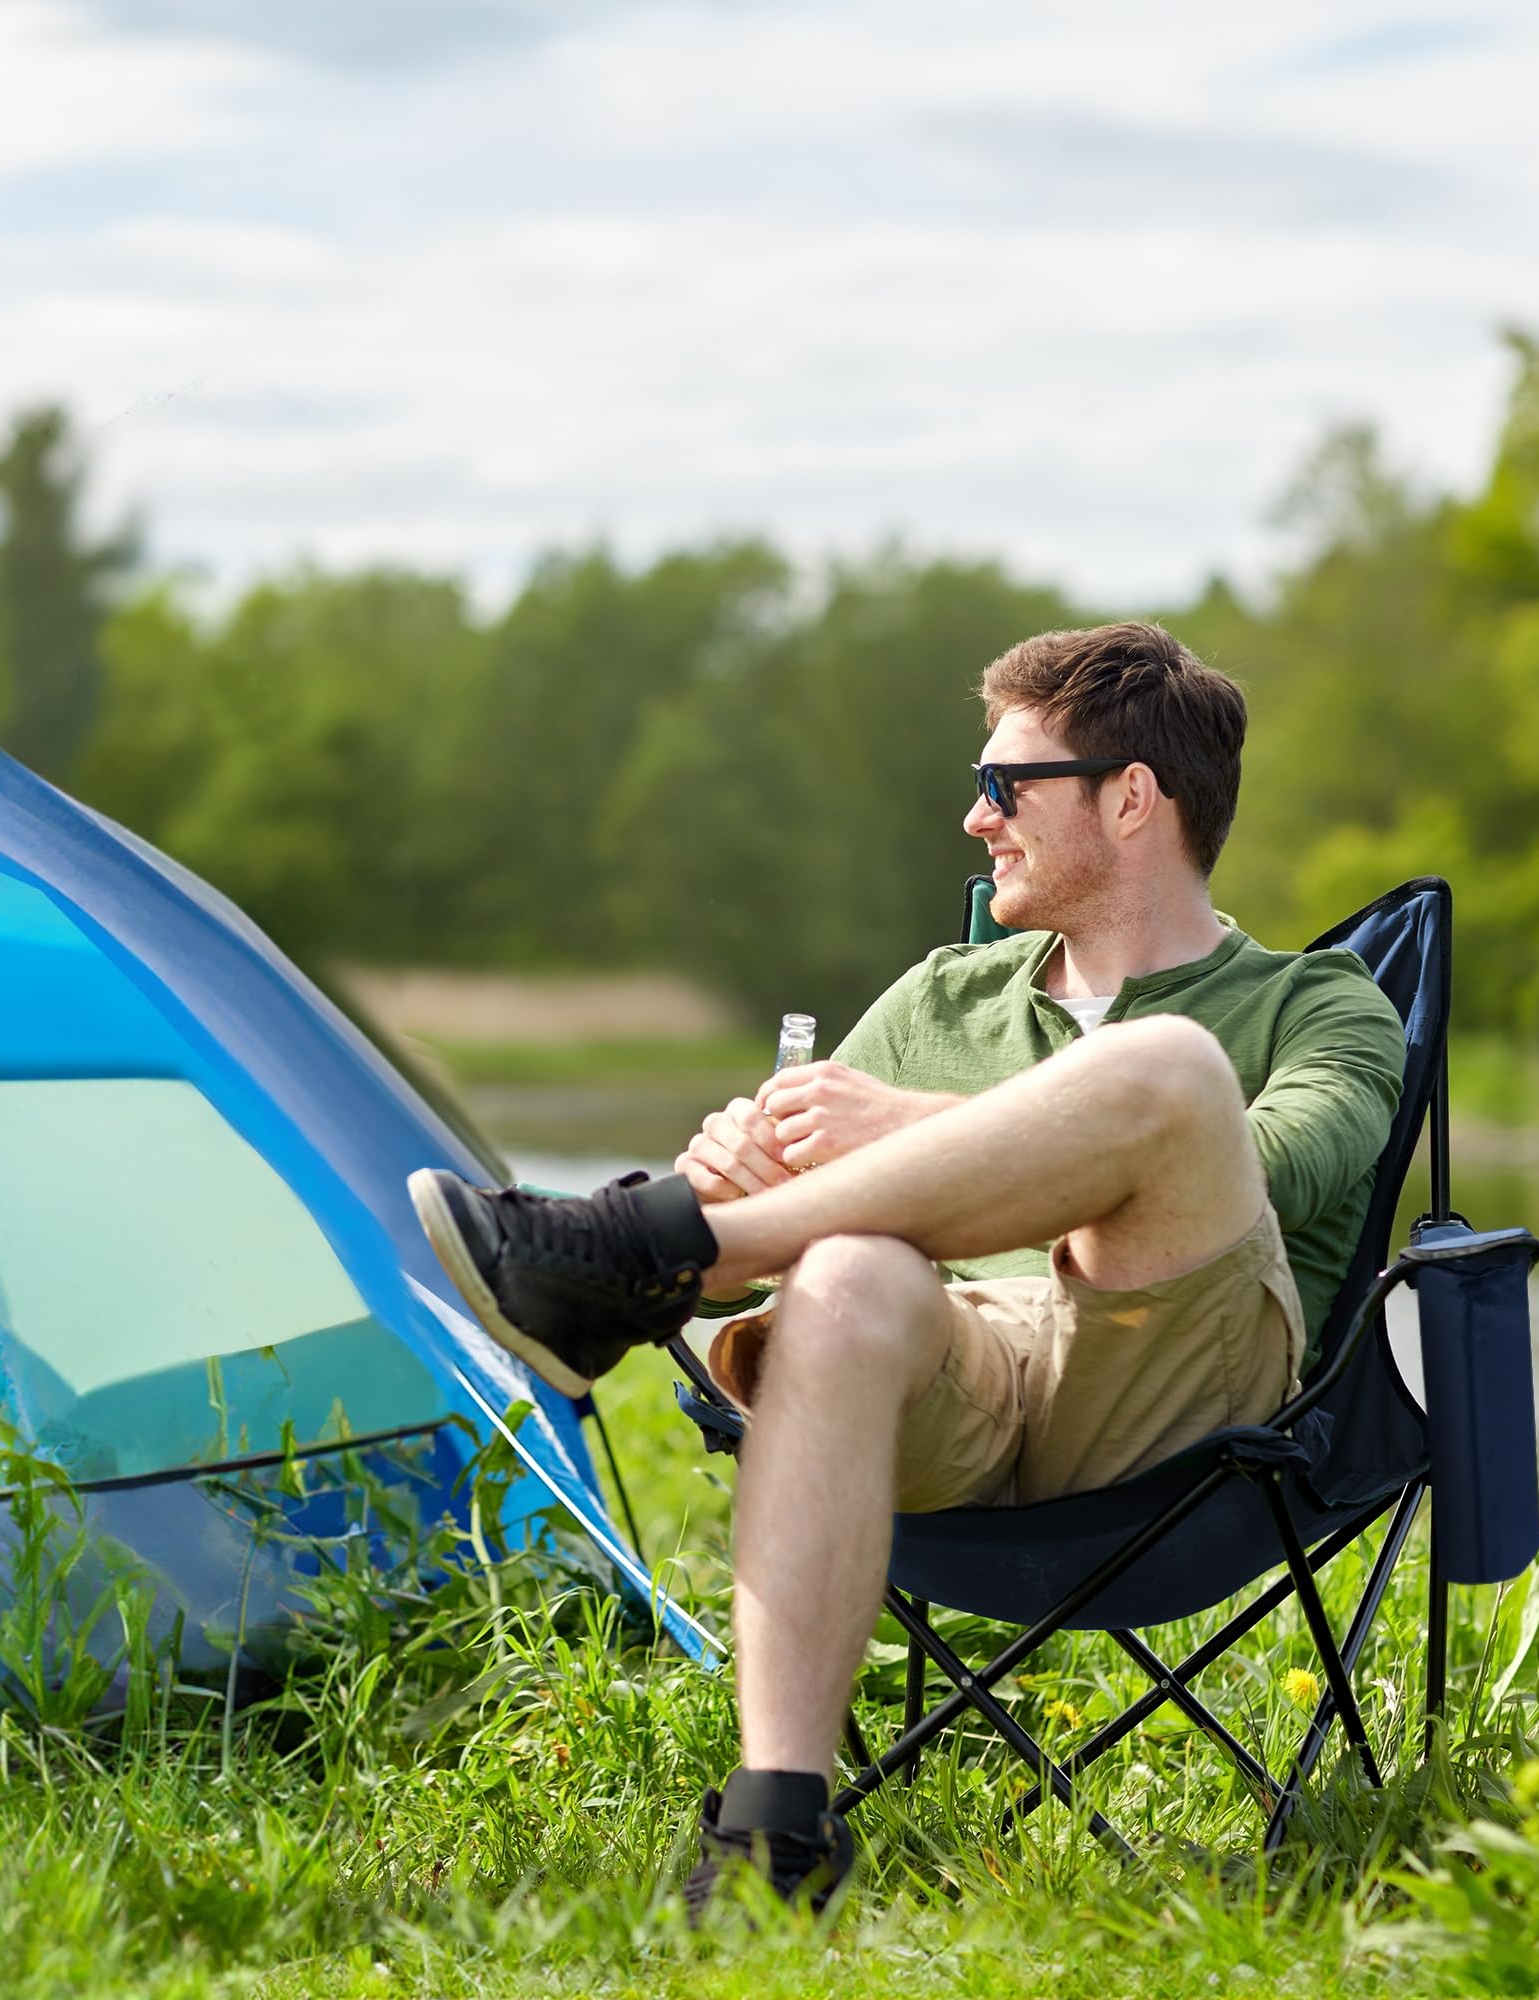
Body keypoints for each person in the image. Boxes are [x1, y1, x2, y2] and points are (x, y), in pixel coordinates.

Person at [408, 621, 1405, 1915]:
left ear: (1132, 797)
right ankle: (776, 1836)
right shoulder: (938, 1000)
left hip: (1178, 1397)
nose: (974, 817)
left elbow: (1262, 1172)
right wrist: (738, 1176)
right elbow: (799, 1227)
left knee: (1169, 1074)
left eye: (1007, 786)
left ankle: (639, 1248)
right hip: (954, 1387)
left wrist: (897, 1129)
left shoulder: (1319, 1007)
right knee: (840, 1281)